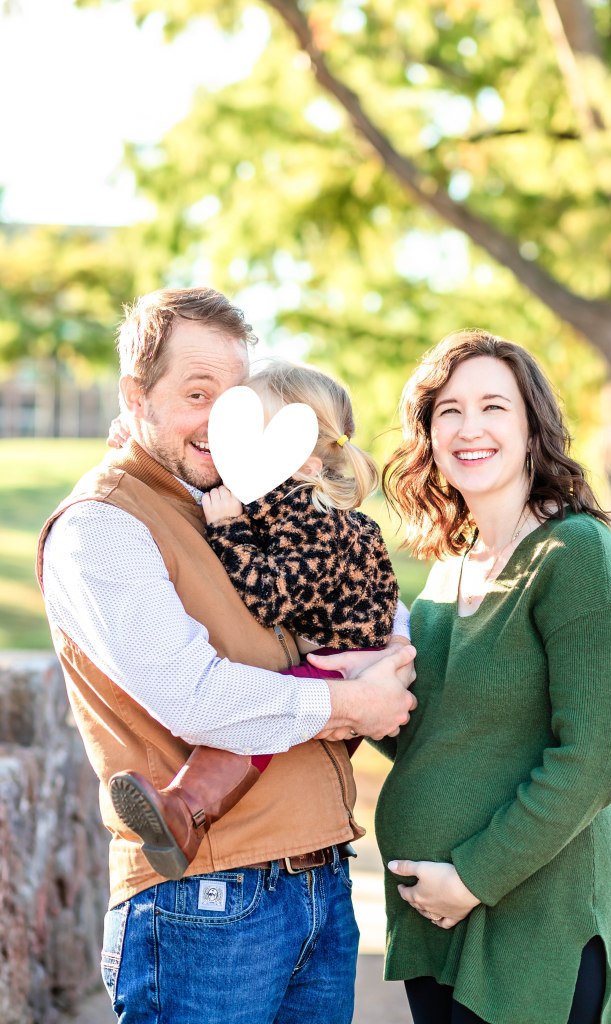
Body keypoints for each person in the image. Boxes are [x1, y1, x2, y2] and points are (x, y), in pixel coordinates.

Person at [37, 286, 416, 1024]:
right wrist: (353, 701)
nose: (220, 420)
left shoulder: (241, 500)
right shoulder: (103, 525)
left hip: (317, 887)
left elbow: (352, 592)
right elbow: (196, 697)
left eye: (236, 398)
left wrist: (386, 648)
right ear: (136, 397)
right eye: (196, 393)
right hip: (204, 904)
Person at [374, 329, 611, 1024]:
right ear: (429, 437)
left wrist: (472, 878)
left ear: (531, 428)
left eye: (493, 406)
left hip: (535, 924)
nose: (469, 428)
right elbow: (435, 735)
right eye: (449, 411)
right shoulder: (449, 570)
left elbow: (596, 758)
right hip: (437, 923)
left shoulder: (575, 554)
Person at [107, 359, 400, 880]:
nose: (227, 445)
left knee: (256, 721)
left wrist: (228, 529)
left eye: (250, 437)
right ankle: (183, 815)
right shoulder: (285, 502)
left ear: (303, 461)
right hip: (345, 653)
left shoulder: (315, 521)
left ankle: (185, 809)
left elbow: (270, 597)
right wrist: (138, 440)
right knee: (262, 722)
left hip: (348, 661)